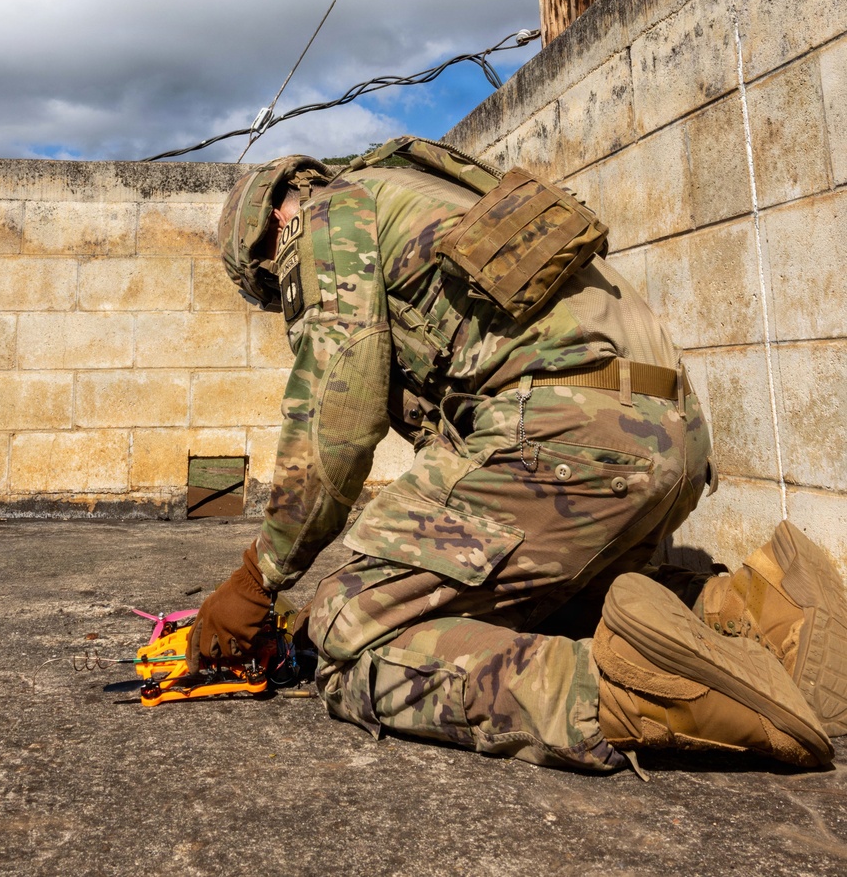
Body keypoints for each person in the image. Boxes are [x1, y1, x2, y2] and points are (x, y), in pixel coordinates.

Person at [185, 138, 846, 772]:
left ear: (273, 224)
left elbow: (337, 409)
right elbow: (456, 458)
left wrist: (260, 576)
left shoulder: (327, 218)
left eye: (273, 290)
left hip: (566, 433)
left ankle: (634, 696)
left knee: (348, 635)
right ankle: (756, 612)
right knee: (503, 602)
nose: (284, 300)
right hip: (667, 430)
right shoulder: (420, 192)